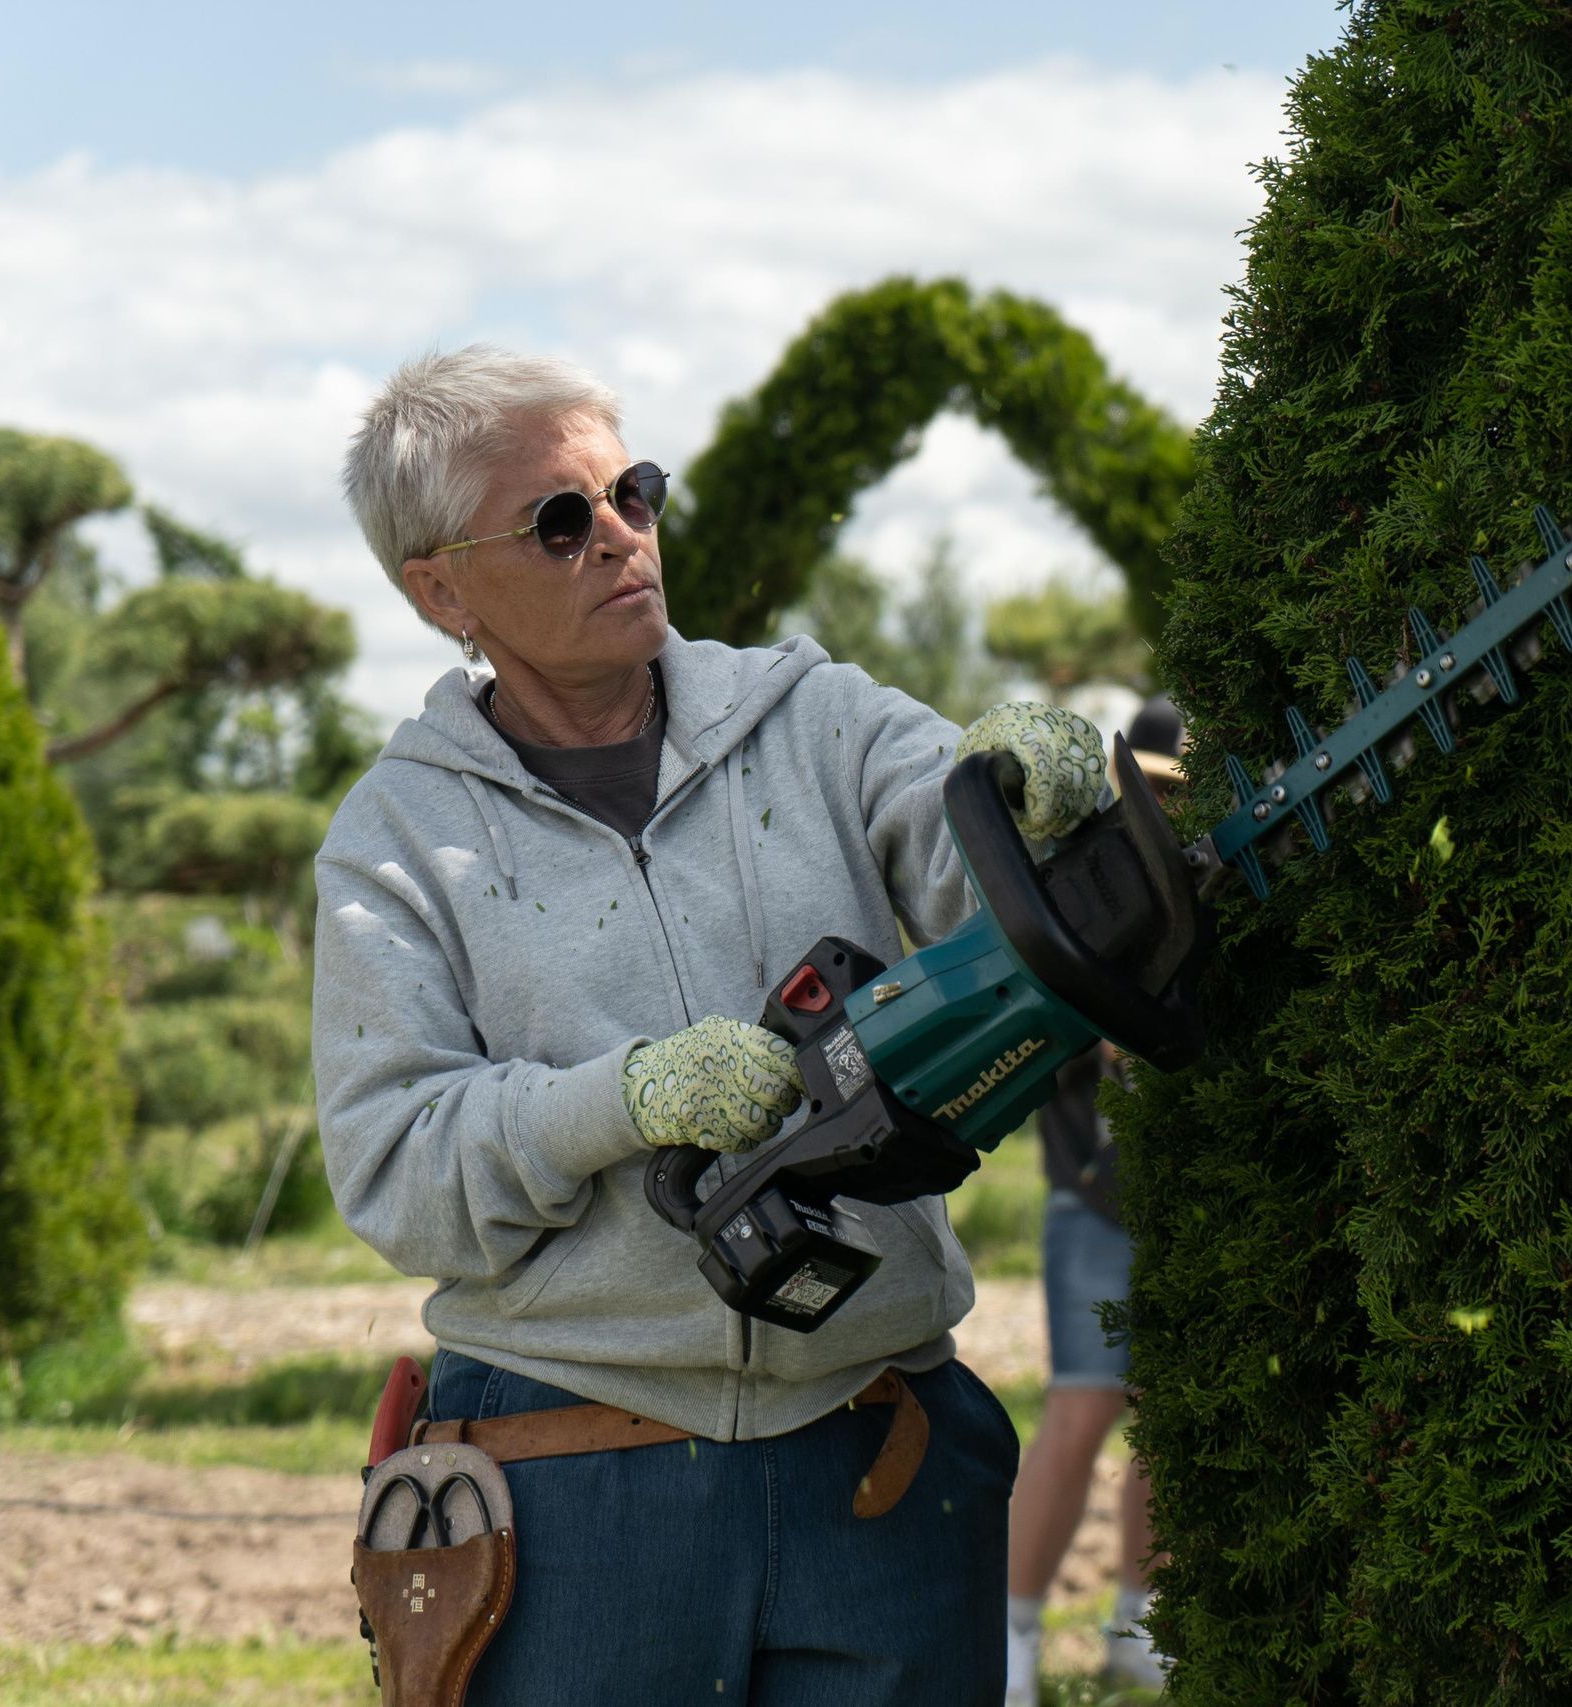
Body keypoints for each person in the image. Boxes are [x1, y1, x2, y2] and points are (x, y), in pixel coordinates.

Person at [314, 345, 1113, 1704]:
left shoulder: (817, 717)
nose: (621, 535)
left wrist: (1023, 792)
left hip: (881, 1447)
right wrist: (620, 1100)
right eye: (560, 521)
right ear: (439, 585)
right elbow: (398, 1170)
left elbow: (960, 846)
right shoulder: (396, 838)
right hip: (570, 1484)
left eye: (631, 490)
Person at [1003, 696, 1184, 1704]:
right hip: (1093, 1196)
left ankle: (1133, 1627)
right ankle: (1014, 1649)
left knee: (1163, 1422)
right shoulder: (1087, 890)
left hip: (1175, 1206)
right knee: (1080, 1411)